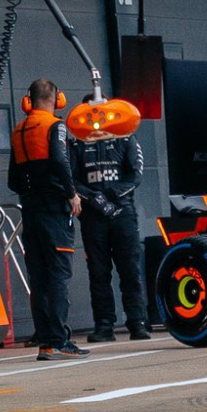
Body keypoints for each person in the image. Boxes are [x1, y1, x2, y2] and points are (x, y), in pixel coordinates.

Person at [8, 78, 88, 361]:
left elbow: (12, 180)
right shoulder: (57, 126)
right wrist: (71, 194)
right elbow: (59, 160)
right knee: (59, 277)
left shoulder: (18, 130)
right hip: (54, 212)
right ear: (57, 99)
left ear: (28, 100)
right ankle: (59, 340)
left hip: (30, 211)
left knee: (38, 278)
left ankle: (46, 340)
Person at [71, 124, 151, 344]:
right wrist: (93, 198)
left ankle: (137, 323)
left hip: (122, 213)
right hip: (93, 216)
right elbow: (70, 179)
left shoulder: (126, 139)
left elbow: (135, 175)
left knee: (130, 269)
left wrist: (108, 195)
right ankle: (104, 325)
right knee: (98, 272)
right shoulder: (76, 144)